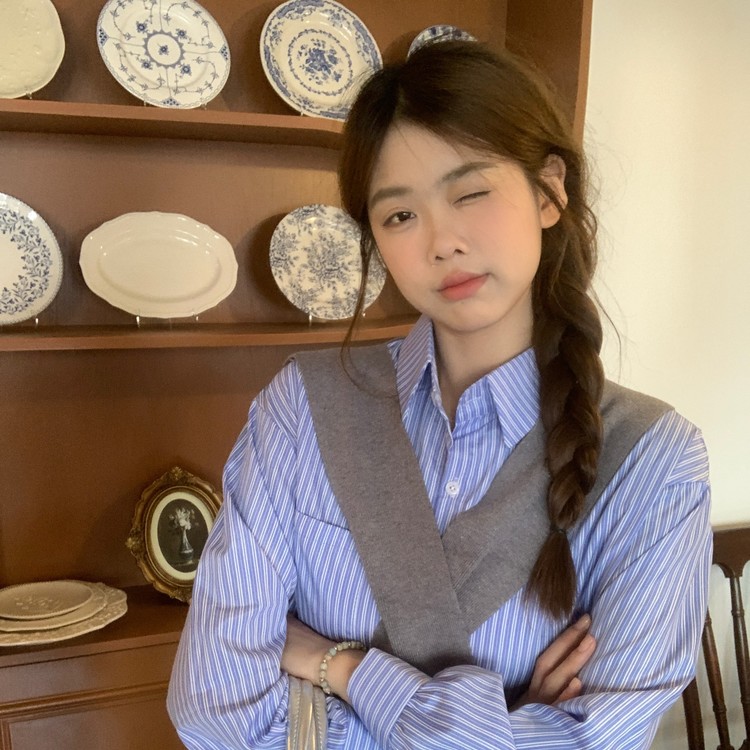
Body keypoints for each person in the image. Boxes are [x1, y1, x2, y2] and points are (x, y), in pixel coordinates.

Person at [167, 41, 711, 749]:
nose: (441, 242)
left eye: (470, 192)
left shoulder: (653, 462)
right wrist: (501, 725)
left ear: (549, 192)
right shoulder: (302, 409)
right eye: (399, 216)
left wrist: (339, 666)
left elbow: (596, 740)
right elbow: (215, 716)